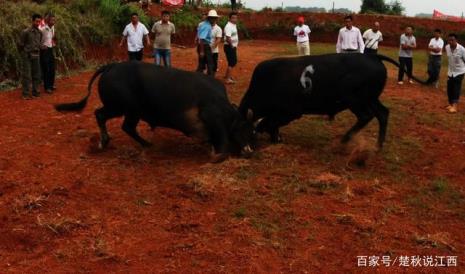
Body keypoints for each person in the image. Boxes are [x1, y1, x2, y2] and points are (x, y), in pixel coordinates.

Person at [18, 14, 42, 99]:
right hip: (27, 56)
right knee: (27, 75)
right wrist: (24, 53)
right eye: (36, 21)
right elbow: (20, 45)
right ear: (32, 21)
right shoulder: (26, 32)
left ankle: (35, 92)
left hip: (36, 55)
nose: (38, 23)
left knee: (37, 75)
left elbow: (39, 44)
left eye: (39, 21)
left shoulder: (40, 32)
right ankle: (26, 94)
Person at [444, 34, 465, 113]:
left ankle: (455, 107)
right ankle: (450, 104)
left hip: (460, 71)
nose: (450, 42)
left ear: (456, 40)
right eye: (449, 40)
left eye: (452, 40)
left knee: (456, 88)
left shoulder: (462, 49)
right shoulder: (447, 47)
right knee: (449, 88)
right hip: (450, 72)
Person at [196, 10, 219, 77]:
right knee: (210, 64)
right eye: (213, 18)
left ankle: (199, 77)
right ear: (209, 18)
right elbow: (202, 39)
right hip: (204, 46)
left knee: (202, 64)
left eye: (215, 18)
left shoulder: (203, 24)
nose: (214, 20)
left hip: (203, 46)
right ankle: (210, 79)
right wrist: (202, 51)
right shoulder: (207, 26)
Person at [39, 13, 56, 94]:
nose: (54, 21)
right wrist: (41, 46)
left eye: (54, 19)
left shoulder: (53, 27)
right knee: (46, 69)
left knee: (52, 68)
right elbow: (37, 39)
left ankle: (51, 85)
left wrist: (53, 43)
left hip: (50, 49)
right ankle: (47, 87)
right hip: (44, 50)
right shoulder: (42, 28)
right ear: (48, 20)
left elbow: (52, 37)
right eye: (52, 20)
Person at [224, 12, 239, 84]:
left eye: (236, 18)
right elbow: (227, 38)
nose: (235, 19)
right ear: (229, 18)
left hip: (231, 46)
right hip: (229, 46)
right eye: (233, 18)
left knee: (231, 62)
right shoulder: (228, 26)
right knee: (232, 62)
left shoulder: (233, 25)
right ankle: (227, 79)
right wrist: (232, 46)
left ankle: (227, 76)